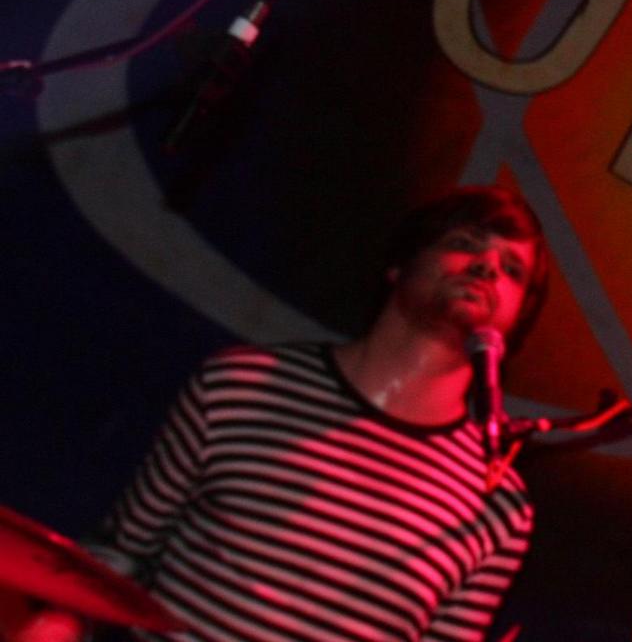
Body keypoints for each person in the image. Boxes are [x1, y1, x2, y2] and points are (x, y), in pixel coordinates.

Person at [15, 187, 548, 642]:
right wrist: (57, 624)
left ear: (518, 321)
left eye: (512, 270)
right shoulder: (239, 387)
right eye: (462, 244)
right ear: (398, 266)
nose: (486, 267)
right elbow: (115, 559)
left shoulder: (498, 504)